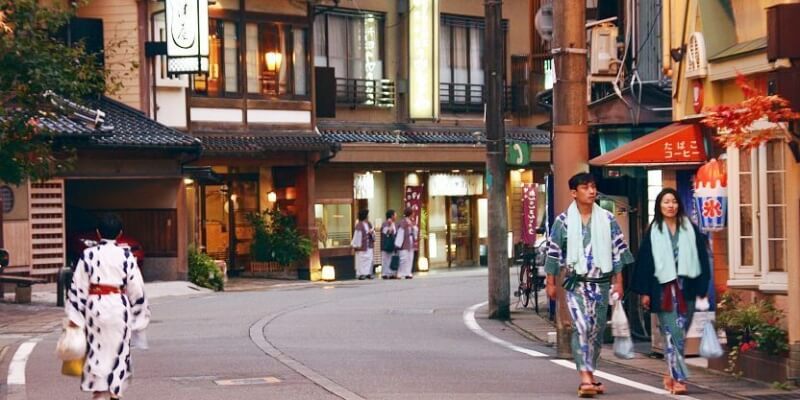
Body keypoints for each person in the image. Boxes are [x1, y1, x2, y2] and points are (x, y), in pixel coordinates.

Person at [544, 172, 633, 398]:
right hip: (576, 284)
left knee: (596, 330)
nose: (591, 191)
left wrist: (619, 282)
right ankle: (584, 377)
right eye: (585, 187)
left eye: (593, 187)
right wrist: (550, 282)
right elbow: (553, 253)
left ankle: (590, 372)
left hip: (601, 285)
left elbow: (618, 252)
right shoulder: (562, 222)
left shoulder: (608, 219)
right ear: (574, 193)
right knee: (581, 327)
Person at [630, 188, 710, 395]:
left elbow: (702, 259)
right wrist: (645, 292)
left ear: (678, 205)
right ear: (659, 205)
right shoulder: (654, 231)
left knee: (680, 335)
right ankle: (679, 378)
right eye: (666, 202)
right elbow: (646, 263)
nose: (670, 205)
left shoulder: (690, 229)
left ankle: (672, 373)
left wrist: (703, 287)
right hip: (663, 290)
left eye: (673, 201)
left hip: (687, 289)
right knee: (674, 333)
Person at [66, 213, 150, 400]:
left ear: (97, 233)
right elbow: (136, 288)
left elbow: (78, 286)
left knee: (97, 348)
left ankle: (99, 392)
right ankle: (114, 390)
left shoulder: (88, 255)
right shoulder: (126, 256)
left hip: (95, 305)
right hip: (119, 305)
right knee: (119, 349)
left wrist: (74, 316)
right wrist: (139, 315)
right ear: (120, 234)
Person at [394, 207, 418, 279]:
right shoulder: (403, 221)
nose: (413, 214)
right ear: (410, 213)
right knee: (403, 258)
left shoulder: (412, 221)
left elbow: (415, 230)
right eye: (412, 213)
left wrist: (413, 227)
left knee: (410, 258)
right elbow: (400, 231)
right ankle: (400, 273)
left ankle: (408, 273)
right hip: (404, 242)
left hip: (410, 240)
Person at [351, 208, 375, 280]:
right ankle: (361, 274)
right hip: (362, 245)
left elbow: (373, 233)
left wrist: (372, 233)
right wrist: (356, 246)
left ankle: (368, 273)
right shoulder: (359, 225)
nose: (368, 217)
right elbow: (357, 236)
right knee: (361, 260)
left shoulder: (369, 224)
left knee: (369, 259)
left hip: (369, 245)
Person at [380, 209, 398, 279]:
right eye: (395, 214)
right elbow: (388, 232)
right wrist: (390, 225)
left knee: (391, 258)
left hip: (392, 244)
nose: (396, 216)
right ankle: (385, 274)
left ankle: (391, 273)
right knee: (385, 259)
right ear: (392, 216)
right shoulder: (385, 223)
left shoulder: (394, 224)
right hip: (386, 244)